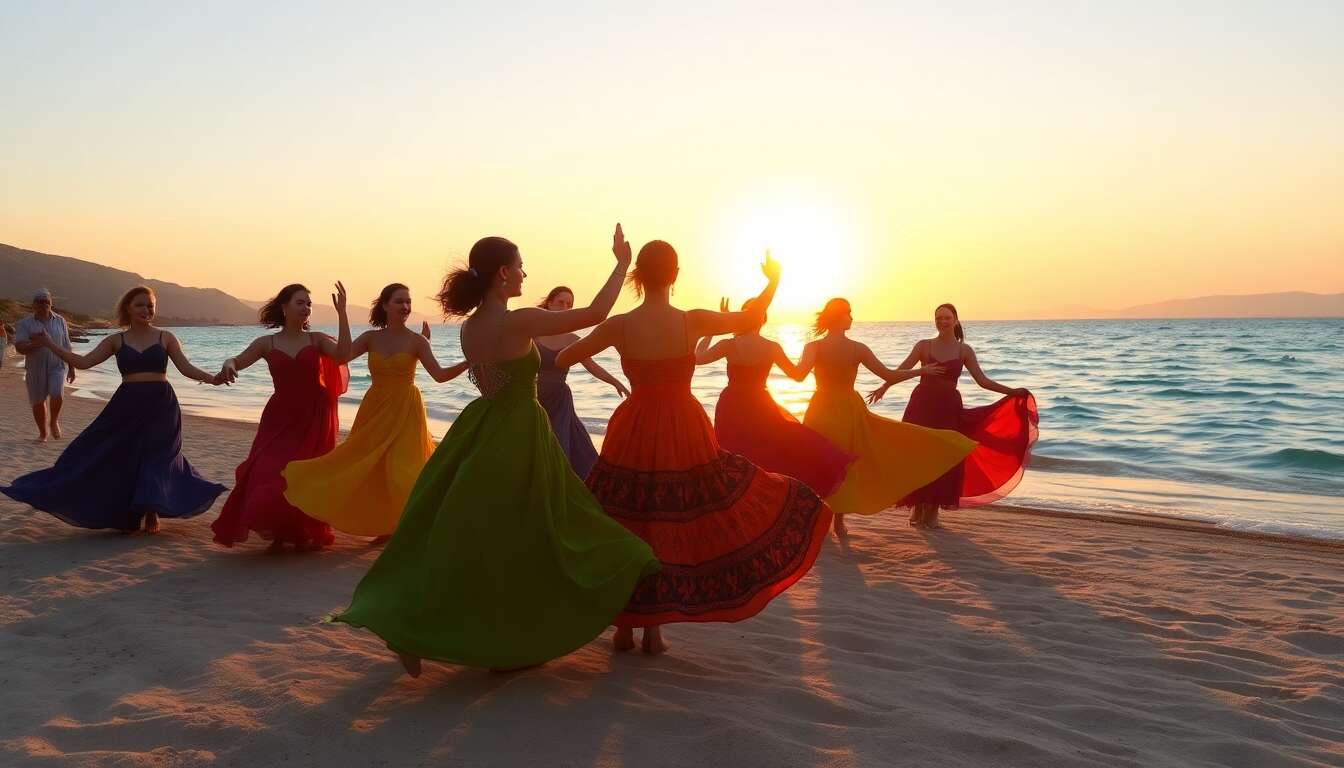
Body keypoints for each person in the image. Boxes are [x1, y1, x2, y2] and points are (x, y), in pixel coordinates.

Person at [333, 225, 659, 676]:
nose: (526, 274)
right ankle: (493, 637)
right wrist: (622, 262)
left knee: (484, 540)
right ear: (503, 273)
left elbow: (489, 380)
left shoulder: (470, 328)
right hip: (518, 434)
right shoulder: (518, 320)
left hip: (481, 429)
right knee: (541, 532)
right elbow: (597, 312)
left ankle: (422, 628)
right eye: (521, 266)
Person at [557, 244, 832, 655]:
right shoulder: (692, 321)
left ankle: (625, 628)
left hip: (634, 425)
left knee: (629, 518)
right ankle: (654, 630)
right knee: (675, 520)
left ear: (637, 276)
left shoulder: (620, 325)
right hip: (684, 426)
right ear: (675, 274)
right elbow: (751, 317)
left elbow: (564, 356)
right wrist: (772, 280)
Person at [1, 286, 228, 533]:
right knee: (115, 452)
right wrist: (49, 344)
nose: (146, 310)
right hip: (127, 403)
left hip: (161, 404)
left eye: (150, 305)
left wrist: (213, 378)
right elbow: (84, 362)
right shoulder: (116, 340)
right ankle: (129, 510)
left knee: (157, 455)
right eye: (140, 305)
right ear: (128, 309)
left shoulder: (165, 337)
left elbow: (187, 368)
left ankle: (152, 510)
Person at [283, 283, 468, 540]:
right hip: (376, 407)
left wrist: (469, 360)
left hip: (407, 409)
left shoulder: (417, 341)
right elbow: (341, 357)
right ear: (385, 305)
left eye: (408, 302)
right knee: (370, 467)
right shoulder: (371, 338)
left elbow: (439, 375)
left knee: (404, 472)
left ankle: (408, 526)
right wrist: (343, 313)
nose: (405, 307)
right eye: (399, 301)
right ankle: (387, 526)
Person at [797, 298, 976, 537]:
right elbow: (888, 373)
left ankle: (820, 518)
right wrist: (920, 371)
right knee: (844, 465)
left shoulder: (815, 346)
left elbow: (797, 375)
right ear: (839, 317)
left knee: (818, 461)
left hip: (820, 408)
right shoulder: (857, 348)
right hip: (847, 408)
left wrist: (762, 346)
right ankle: (838, 521)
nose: (852, 317)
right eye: (849, 313)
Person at [868, 303, 1038, 529]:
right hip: (921, 407)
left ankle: (933, 510)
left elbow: (983, 381)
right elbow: (900, 372)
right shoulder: (923, 346)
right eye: (938, 318)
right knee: (918, 456)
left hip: (948, 409)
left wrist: (1012, 392)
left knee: (944, 458)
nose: (942, 322)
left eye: (947, 318)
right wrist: (884, 387)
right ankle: (918, 506)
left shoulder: (964, 350)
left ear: (955, 320)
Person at [209, 283, 350, 552]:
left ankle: (297, 531)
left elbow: (344, 354)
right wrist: (228, 364)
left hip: (314, 416)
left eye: (309, 303)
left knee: (304, 473)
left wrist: (342, 313)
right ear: (284, 307)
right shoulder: (267, 343)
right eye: (300, 302)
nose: (306, 308)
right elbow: (237, 361)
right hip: (280, 415)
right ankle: (279, 530)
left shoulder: (317, 339)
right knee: (267, 468)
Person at [695, 293, 854, 497]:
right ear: (763, 319)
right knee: (767, 453)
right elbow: (797, 376)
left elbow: (698, 358)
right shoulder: (771, 347)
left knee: (732, 454)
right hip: (759, 404)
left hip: (731, 404)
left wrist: (713, 330)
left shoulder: (728, 345)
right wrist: (822, 356)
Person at [535, 285, 630, 478]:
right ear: (549, 303)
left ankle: (563, 487)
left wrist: (615, 382)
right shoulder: (533, 334)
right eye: (560, 302)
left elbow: (592, 365)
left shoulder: (572, 340)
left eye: (569, 304)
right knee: (534, 444)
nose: (565, 307)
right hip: (533, 397)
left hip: (559, 400)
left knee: (560, 444)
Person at [12, 289, 75, 441]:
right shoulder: (24, 323)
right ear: (34, 305)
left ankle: (53, 422)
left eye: (46, 301)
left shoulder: (60, 321)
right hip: (35, 367)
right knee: (38, 402)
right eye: (40, 301)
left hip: (57, 365)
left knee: (56, 393)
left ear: (51, 303)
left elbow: (67, 345)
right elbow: (19, 347)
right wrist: (37, 343)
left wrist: (71, 367)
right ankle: (43, 433)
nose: (44, 304)